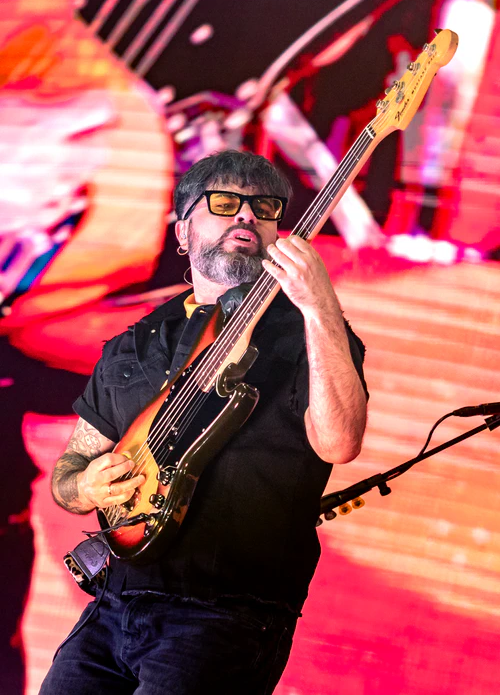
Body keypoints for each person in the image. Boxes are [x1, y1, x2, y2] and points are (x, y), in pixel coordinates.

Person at [40, 150, 368, 695]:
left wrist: (319, 308)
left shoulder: (314, 332)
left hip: (227, 614)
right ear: (182, 230)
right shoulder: (132, 344)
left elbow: (340, 444)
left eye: (265, 207)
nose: (247, 215)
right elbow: (69, 472)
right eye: (224, 202)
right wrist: (86, 485)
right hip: (112, 606)